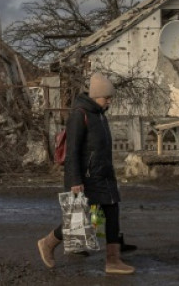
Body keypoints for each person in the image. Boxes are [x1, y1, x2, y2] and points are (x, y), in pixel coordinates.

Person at [37, 71, 135, 275]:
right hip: (87, 177)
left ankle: (113, 260)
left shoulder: (99, 115)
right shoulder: (79, 115)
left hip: (104, 175)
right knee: (78, 220)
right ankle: (47, 243)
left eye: (110, 98)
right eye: (106, 97)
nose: (109, 102)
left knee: (112, 213)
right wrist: (75, 179)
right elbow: (72, 150)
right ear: (95, 96)